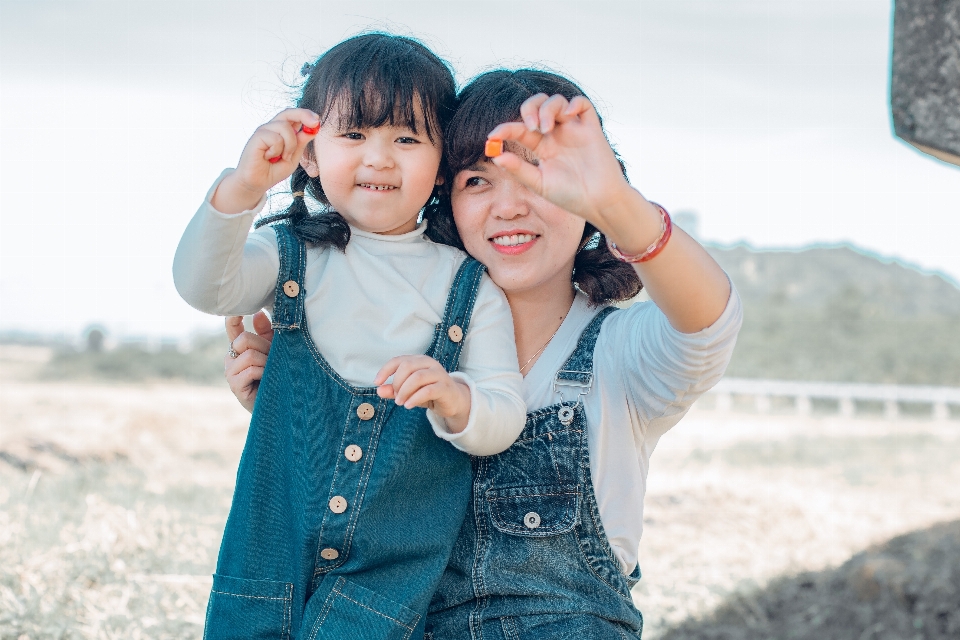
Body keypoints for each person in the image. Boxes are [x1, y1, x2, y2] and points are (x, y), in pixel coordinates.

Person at [224, 68, 742, 639]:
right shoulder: (397, 349)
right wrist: (296, 403)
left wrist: (617, 201)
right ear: (445, 197)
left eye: (538, 175)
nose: (510, 206)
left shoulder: (620, 353)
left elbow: (709, 323)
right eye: (478, 180)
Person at [173, 34, 526, 640]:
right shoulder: (290, 255)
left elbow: (503, 414)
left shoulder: (470, 287)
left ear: (442, 163)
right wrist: (243, 185)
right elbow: (202, 286)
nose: (380, 159)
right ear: (309, 154)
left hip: (386, 588)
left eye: (407, 139)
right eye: (354, 135)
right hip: (265, 564)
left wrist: (454, 396)